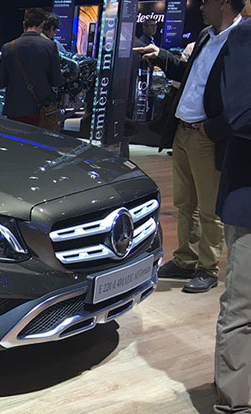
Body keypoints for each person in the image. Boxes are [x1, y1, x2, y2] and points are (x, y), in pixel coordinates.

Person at [135, 0, 245, 294]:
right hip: (183, 131)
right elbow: (189, 74)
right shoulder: (206, 35)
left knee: (209, 208)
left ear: (224, 3)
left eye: (206, 1)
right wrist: (161, 56)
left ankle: (207, 267)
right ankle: (186, 259)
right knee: (185, 203)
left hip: (206, 137)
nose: (201, 7)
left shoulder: (242, 40)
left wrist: (213, 129)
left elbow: (243, 99)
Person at [212, 16, 251, 414]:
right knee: (243, 308)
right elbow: (239, 115)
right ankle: (234, 405)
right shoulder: (246, 36)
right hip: (248, 199)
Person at [0, 8, 63, 127]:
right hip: (40, 110)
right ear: (42, 24)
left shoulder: (8, 47)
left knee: (15, 138)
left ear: (24, 24)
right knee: (39, 139)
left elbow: (0, 82)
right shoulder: (50, 46)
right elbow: (57, 81)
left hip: (14, 110)